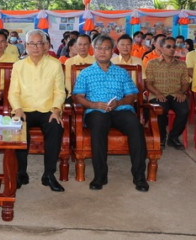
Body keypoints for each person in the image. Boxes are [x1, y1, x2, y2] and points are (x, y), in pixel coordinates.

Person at [72, 34, 149, 192]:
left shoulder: (121, 72)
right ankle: (100, 176)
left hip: (120, 109)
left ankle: (139, 176)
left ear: (112, 51)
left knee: (135, 126)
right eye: (99, 48)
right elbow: (78, 97)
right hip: (96, 111)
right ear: (94, 50)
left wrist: (118, 103)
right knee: (98, 126)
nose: (103, 52)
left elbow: (132, 95)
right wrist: (95, 104)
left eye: (107, 48)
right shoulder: (86, 73)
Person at [8, 29, 66, 192]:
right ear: (25, 46)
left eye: (38, 43)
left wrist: (56, 110)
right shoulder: (18, 66)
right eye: (31, 44)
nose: (35, 47)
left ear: (45, 45)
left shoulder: (55, 65)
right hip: (23, 109)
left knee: (56, 127)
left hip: (47, 109)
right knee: (18, 128)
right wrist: (17, 109)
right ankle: (21, 173)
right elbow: (13, 92)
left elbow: (60, 91)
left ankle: (48, 174)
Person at [145, 37, 189, 150]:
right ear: (161, 48)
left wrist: (181, 92)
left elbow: (185, 83)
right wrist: (157, 93)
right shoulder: (152, 63)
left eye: (174, 47)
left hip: (175, 94)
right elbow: (148, 83)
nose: (172, 49)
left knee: (184, 110)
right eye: (168, 47)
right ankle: (162, 138)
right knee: (161, 110)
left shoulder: (181, 64)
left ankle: (173, 138)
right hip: (158, 95)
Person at [64, 34, 95, 103]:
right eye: (80, 44)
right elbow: (67, 80)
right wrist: (76, 93)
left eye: (85, 44)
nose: (82, 47)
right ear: (76, 46)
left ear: (90, 45)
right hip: (73, 95)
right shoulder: (69, 62)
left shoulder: (96, 62)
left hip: (92, 96)